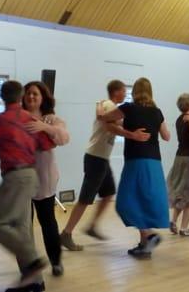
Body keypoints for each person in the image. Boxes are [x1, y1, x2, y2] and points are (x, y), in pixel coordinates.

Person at [0, 81, 55, 292]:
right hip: (31, 176)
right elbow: (48, 144)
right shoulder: (29, 119)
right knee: (22, 229)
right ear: (21, 96)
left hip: (15, 177)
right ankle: (34, 283)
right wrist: (45, 126)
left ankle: (33, 262)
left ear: (1, 97)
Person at [60, 80, 149, 251]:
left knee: (108, 193)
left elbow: (119, 123)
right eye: (124, 91)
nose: (126, 94)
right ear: (116, 92)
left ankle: (92, 225)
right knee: (85, 198)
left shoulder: (109, 107)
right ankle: (66, 233)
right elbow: (110, 127)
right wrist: (132, 135)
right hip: (95, 158)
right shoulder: (108, 104)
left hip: (102, 159)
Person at [97, 77, 170, 259]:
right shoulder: (157, 112)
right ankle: (145, 246)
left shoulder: (128, 108)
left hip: (136, 162)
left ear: (134, 92)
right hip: (154, 163)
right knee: (143, 201)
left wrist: (100, 109)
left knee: (125, 202)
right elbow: (167, 136)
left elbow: (104, 118)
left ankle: (149, 235)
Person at [21, 81, 69, 277]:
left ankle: (56, 261)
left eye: (35, 94)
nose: (31, 97)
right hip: (21, 180)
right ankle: (30, 264)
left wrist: (43, 127)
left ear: (42, 98)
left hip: (44, 179)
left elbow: (64, 138)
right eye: (28, 94)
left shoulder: (51, 119)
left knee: (47, 221)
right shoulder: (18, 118)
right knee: (24, 225)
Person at [166, 93, 189, 237]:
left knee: (182, 193)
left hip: (180, 157)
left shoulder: (179, 119)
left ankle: (173, 221)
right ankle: (184, 228)